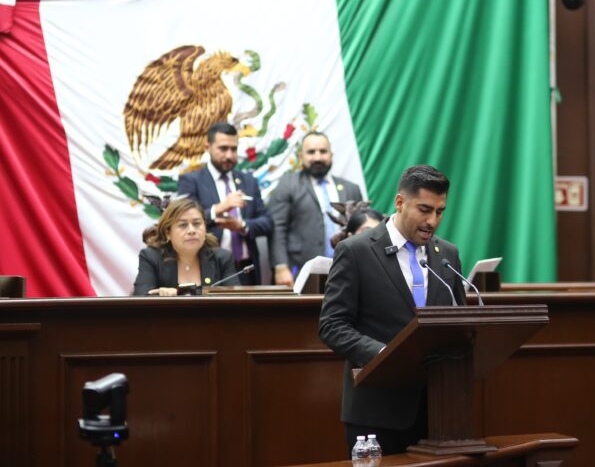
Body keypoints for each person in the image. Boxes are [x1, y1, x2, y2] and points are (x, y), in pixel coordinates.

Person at [318, 165, 465, 455]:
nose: (432, 221)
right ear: (399, 202)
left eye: (439, 211)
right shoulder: (355, 251)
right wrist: (385, 355)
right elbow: (332, 325)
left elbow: (459, 320)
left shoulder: (447, 254)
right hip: (376, 413)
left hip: (438, 410)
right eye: (424, 209)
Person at [177, 122, 273, 285]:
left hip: (245, 269)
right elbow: (182, 222)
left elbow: (267, 223)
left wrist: (242, 225)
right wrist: (219, 209)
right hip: (206, 268)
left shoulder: (248, 181)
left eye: (233, 149)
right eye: (223, 148)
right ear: (207, 147)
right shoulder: (191, 180)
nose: (229, 155)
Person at [267, 131, 362, 286]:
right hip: (300, 271)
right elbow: (277, 227)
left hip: (346, 271)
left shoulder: (351, 188)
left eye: (323, 152)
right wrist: (280, 267)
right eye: (311, 152)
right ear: (300, 156)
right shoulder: (288, 184)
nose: (318, 157)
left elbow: (361, 230)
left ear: (331, 154)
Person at [133, 198, 238, 296]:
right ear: (168, 233)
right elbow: (141, 298)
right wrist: (161, 297)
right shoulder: (151, 257)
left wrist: (180, 293)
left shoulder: (222, 258)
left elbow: (236, 300)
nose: (192, 230)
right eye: (183, 225)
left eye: (197, 224)